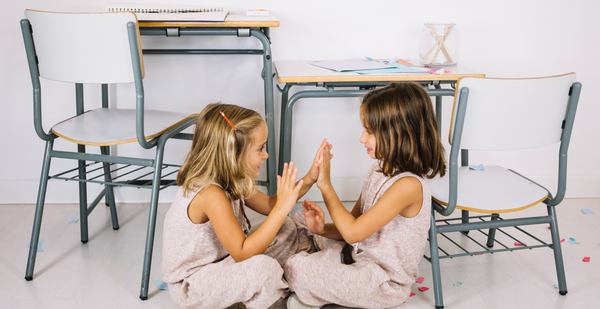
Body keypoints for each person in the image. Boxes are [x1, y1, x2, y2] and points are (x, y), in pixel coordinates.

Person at [285, 82, 447, 308]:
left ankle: (312, 285)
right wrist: (321, 229)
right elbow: (350, 226)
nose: (362, 138)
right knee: (299, 222)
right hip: (358, 255)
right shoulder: (378, 171)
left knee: (297, 269)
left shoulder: (408, 186)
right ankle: (318, 279)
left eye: (369, 131)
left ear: (398, 133)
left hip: (382, 282)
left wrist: (326, 186)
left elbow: (352, 233)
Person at [162, 103, 326, 309]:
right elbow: (242, 252)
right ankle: (283, 288)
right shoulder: (210, 194)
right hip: (194, 284)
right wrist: (282, 208)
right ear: (234, 153)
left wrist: (309, 179)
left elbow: (270, 205)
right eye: (260, 148)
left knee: (286, 226)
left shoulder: (231, 178)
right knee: (264, 269)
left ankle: (275, 283)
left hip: (224, 262)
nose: (266, 155)